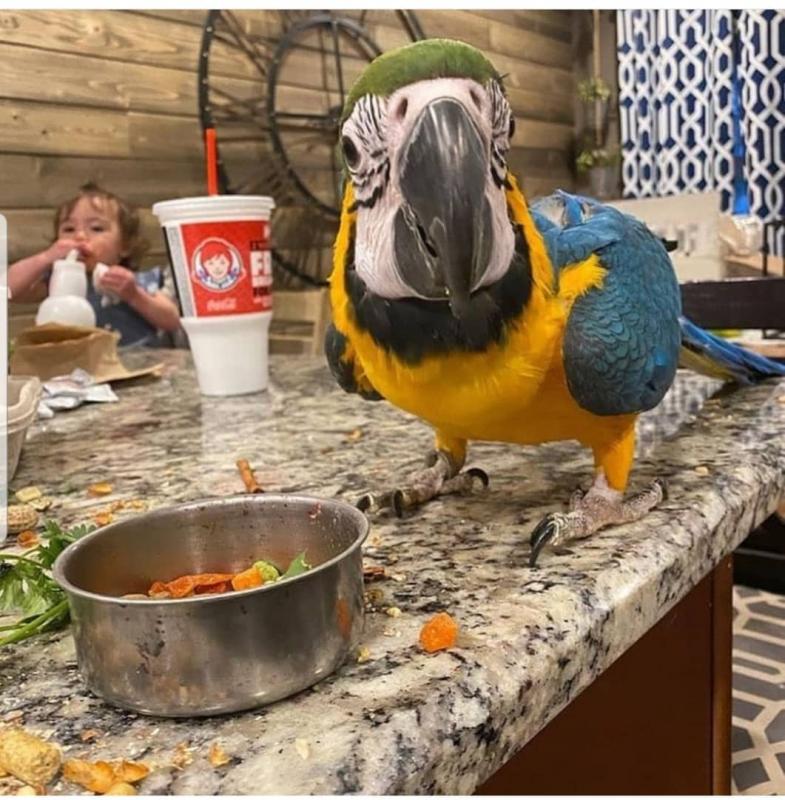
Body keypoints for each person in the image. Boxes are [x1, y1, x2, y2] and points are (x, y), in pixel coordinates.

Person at [8, 182, 181, 346]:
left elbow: (172, 321)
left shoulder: (138, 282)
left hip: (135, 363)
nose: (80, 236)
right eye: (69, 229)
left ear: (125, 246)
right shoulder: (57, 283)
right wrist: (46, 257)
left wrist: (134, 295)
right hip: (77, 363)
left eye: (97, 228)